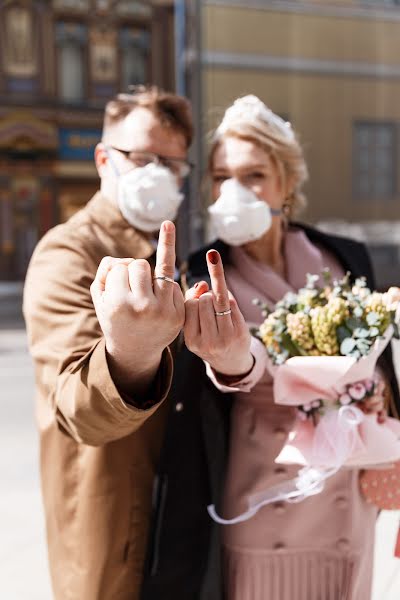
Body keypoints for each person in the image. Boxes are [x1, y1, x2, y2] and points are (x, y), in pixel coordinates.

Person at [138, 95, 400, 600]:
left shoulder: (342, 255)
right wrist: (232, 358)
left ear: (287, 183)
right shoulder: (199, 275)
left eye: (253, 176)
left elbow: (378, 351)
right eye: (220, 177)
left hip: (348, 509)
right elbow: (241, 364)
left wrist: (372, 390)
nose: (233, 190)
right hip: (264, 510)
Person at [23, 87, 197, 600]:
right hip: (114, 530)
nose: (157, 174)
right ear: (104, 159)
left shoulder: (169, 255)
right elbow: (75, 408)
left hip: (173, 516)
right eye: (142, 158)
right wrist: (130, 355)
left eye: (171, 163)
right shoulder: (68, 254)